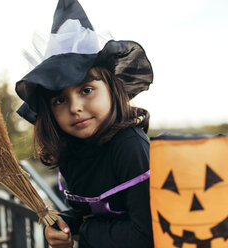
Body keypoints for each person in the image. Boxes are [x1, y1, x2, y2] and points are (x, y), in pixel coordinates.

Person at [15, 0, 154, 247]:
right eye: (59, 99)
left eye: (87, 90)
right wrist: (62, 225)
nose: (75, 107)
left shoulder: (130, 147)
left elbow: (147, 234)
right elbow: (86, 213)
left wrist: (87, 231)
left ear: (113, 89)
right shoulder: (73, 150)